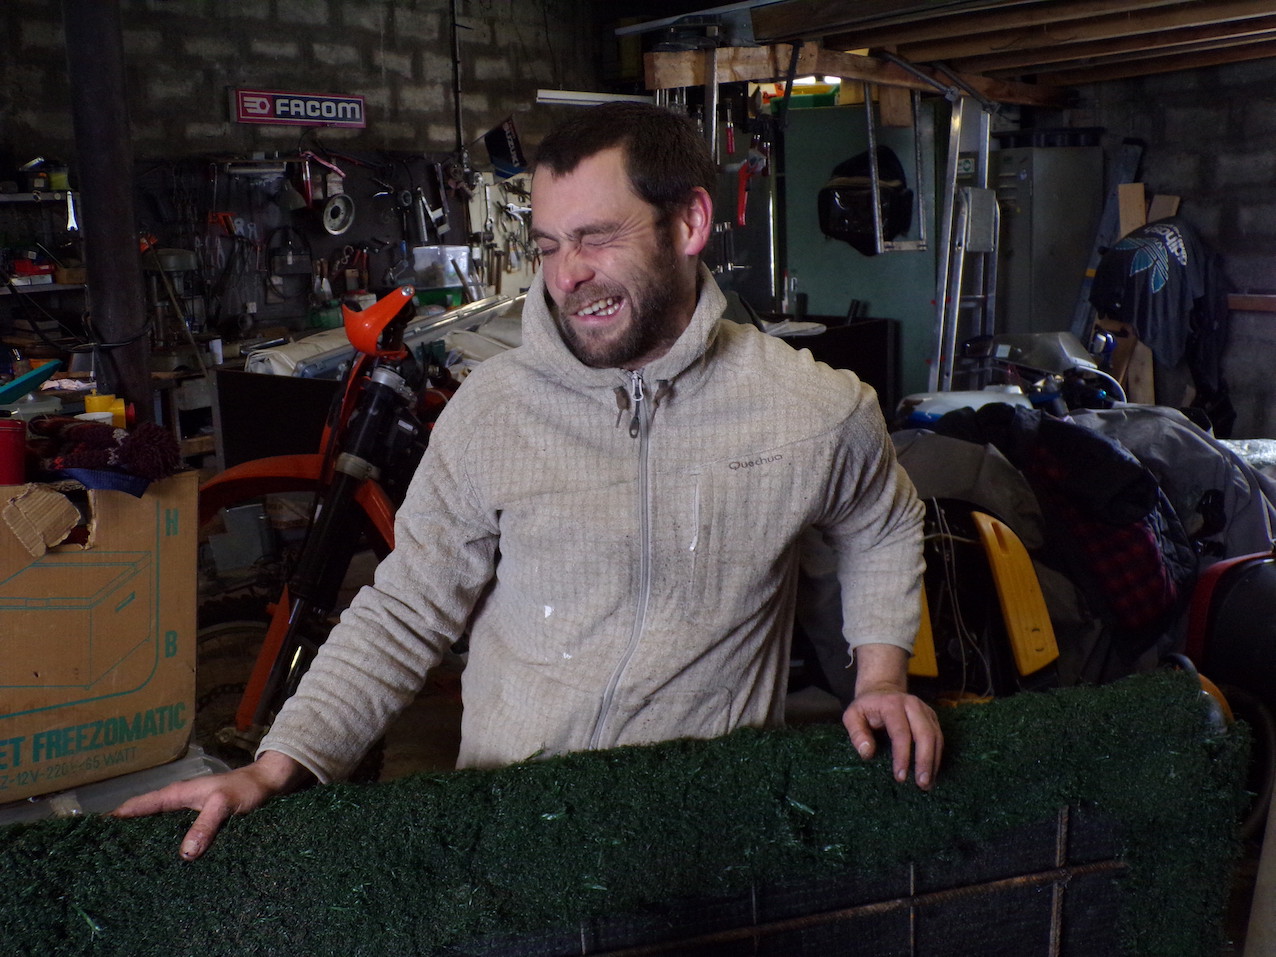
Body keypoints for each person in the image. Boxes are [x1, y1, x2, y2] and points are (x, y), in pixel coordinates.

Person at [116, 102, 942, 859]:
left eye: (597, 237)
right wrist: (278, 763)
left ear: (690, 222)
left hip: (705, 828)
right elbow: (405, 610)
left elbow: (882, 520)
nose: (567, 273)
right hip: (513, 830)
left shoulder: (810, 408)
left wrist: (880, 676)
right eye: (548, 245)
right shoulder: (493, 412)